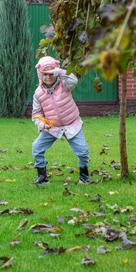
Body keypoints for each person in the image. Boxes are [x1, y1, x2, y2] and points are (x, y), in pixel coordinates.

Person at [30, 56, 90, 185]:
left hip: (72, 124)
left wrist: (58, 71)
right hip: (52, 127)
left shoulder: (64, 84)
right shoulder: (38, 93)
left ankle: (84, 176)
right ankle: (42, 177)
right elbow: (36, 113)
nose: (48, 77)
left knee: (83, 150)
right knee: (37, 147)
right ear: (40, 75)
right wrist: (42, 124)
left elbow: (74, 79)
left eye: (51, 73)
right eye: (45, 74)